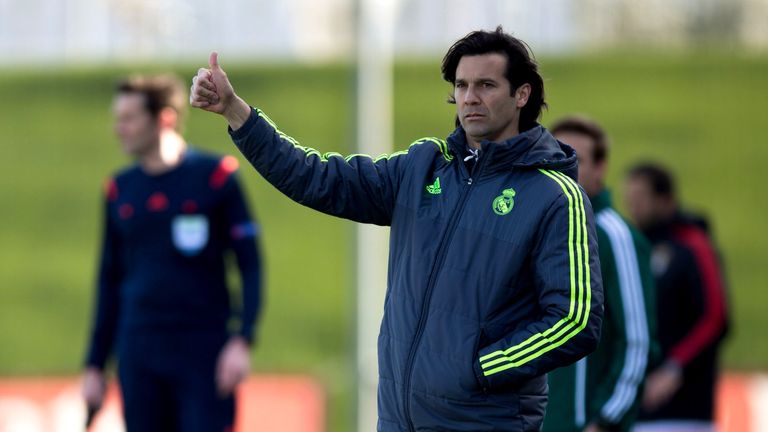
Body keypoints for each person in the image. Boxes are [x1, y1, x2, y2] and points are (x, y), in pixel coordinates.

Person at [190, 27, 604, 431]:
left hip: (483, 421)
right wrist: (236, 112)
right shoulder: (421, 168)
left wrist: (479, 368)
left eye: (486, 85)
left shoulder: (555, 196)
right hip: (398, 419)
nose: (470, 97)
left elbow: (575, 319)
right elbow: (317, 178)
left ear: (522, 94)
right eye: (461, 86)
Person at [81, 74, 263, 432]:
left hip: (203, 349)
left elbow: (251, 264)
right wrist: (94, 365)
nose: (119, 128)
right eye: (118, 119)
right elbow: (109, 280)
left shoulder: (216, 178)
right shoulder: (120, 189)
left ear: (164, 118)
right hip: (139, 348)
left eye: (129, 118)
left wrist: (243, 338)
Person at [542, 116, 658, 432]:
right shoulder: (539, 230)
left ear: (600, 168)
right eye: (554, 157)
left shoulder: (614, 236)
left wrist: (605, 420)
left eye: (574, 159)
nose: (563, 167)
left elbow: (637, 342)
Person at [623, 163, 729, 432]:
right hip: (635, 409)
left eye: (640, 200)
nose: (633, 208)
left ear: (665, 200)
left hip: (684, 410)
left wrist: (674, 367)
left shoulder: (693, 245)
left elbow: (715, 318)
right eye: (629, 200)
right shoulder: (634, 246)